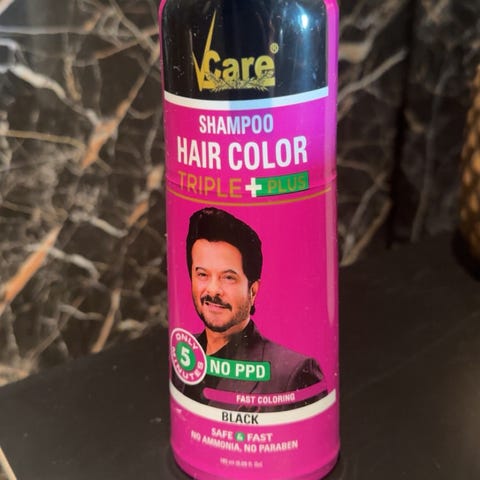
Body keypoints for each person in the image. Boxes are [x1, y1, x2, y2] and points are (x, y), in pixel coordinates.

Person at [173, 207, 327, 412]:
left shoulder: (293, 371)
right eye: (202, 274)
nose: (213, 289)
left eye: (228, 277)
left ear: (253, 290)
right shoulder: (181, 353)